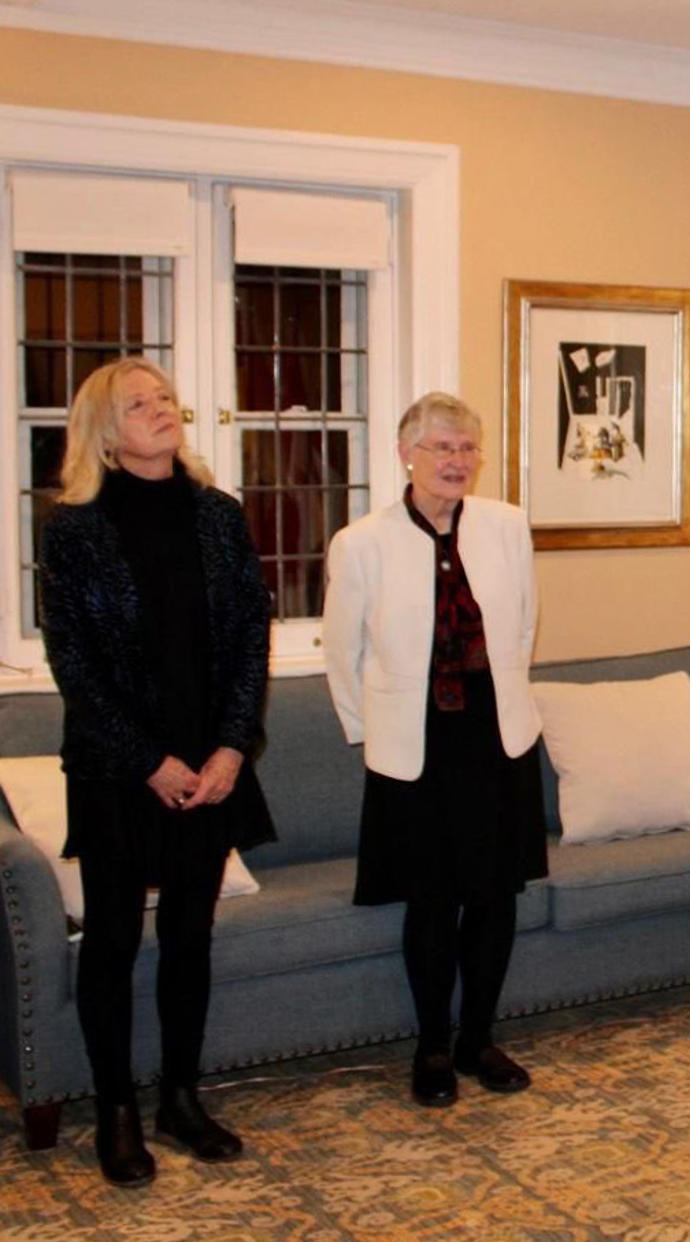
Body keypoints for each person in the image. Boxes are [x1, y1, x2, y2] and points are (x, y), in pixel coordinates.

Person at [39, 358, 275, 1186]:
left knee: (189, 937)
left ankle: (180, 1098)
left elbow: (252, 638)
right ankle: (116, 1112)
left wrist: (229, 748)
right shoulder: (71, 529)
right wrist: (150, 762)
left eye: (166, 398)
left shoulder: (219, 515)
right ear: (105, 434)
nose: (161, 411)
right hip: (117, 771)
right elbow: (75, 663)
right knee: (110, 940)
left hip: (210, 767)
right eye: (140, 405)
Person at [322, 391, 546, 1108]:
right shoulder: (361, 543)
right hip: (413, 750)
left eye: (466, 448)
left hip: (498, 738)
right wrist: (373, 732)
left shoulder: (507, 527)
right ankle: (432, 1048)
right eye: (440, 447)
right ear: (405, 455)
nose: (455, 461)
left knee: (493, 899)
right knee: (432, 903)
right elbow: (342, 653)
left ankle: (480, 1038)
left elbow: (523, 626)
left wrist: (505, 694)